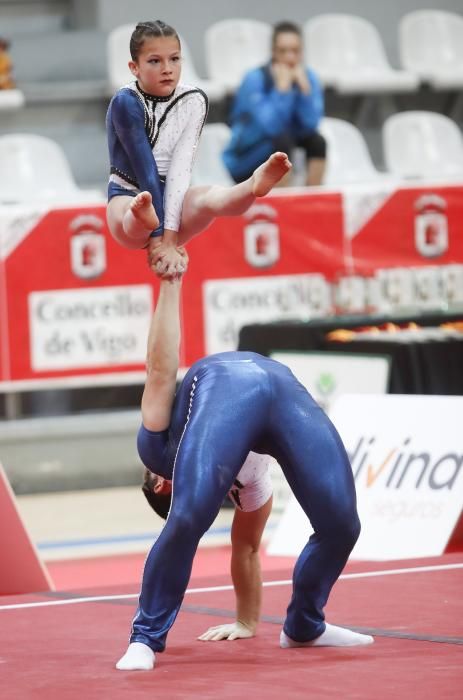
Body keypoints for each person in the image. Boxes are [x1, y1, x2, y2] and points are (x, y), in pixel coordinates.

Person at [116, 258, 373, 671]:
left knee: (343, 523)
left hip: (235, 380)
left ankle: (305, 625)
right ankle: (145, 638)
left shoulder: (157, 448)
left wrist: (170, 284)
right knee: (194, 516)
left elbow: (160, 370)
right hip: (276, 387)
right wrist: (245, 623)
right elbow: (247, 548)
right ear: (161, 486)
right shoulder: (248, 487)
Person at [105, 20, 291, 278]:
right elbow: (145, 167)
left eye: (175, 59)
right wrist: (160, 238)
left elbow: (181, 168)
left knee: (207, 198)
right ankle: (142, 215)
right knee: (131, 212)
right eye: (154, 61)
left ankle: (250, 186)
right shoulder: (125, 102)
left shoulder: (192, 100)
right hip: (127, 192)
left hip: (172, 203)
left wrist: (170, 238)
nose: (167, 69)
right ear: (134, 67)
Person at [223, 20, 326, 187]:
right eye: (283, 51)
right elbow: (271, 127)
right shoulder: (254, 79)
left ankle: (313, 201)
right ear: (273, 52)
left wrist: (305, 93)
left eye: (295, 51)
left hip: (280, 148)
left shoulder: (307, 77)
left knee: (317, 142)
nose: (290, 57)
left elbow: (311, 125)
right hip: (246, 157)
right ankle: (282, 205)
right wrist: (282, 91)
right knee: (281, 143)